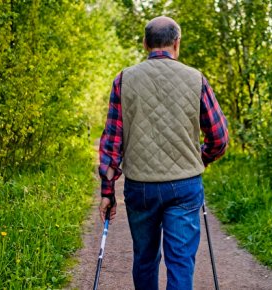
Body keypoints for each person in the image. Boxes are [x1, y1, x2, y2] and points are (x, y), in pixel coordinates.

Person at [98, 16, 228, 290]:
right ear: (177, 43)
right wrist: (199, 159)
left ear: (145, 43)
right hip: (184, 185)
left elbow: (112, 141)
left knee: (145, 259)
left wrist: (107, 191)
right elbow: (219, 138)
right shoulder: (196, 79)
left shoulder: (124, 80)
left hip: (140, 187)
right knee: (181, 262)